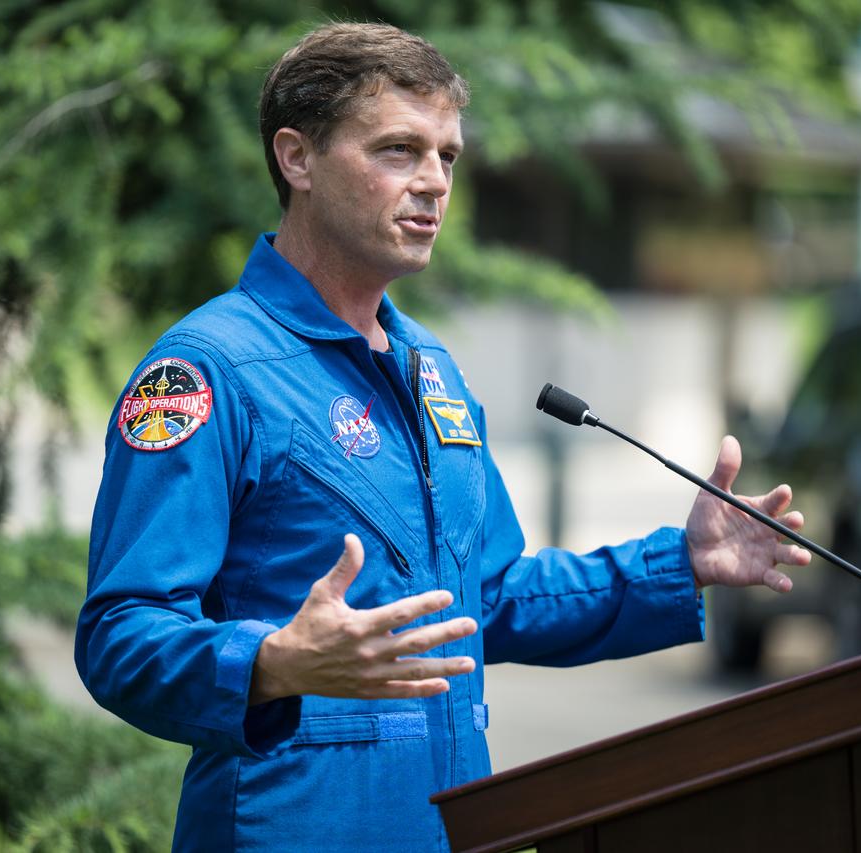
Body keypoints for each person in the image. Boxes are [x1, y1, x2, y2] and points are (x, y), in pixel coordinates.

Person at [75, 22, 811, 852]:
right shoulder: (206, 371)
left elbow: (483, 599)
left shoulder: (431, 367)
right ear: (297, 158)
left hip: (453, 826)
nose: (432, 182)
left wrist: (677, 566)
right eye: (398, 149)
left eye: (447, 156)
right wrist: (272, 662)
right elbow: (121, 634)